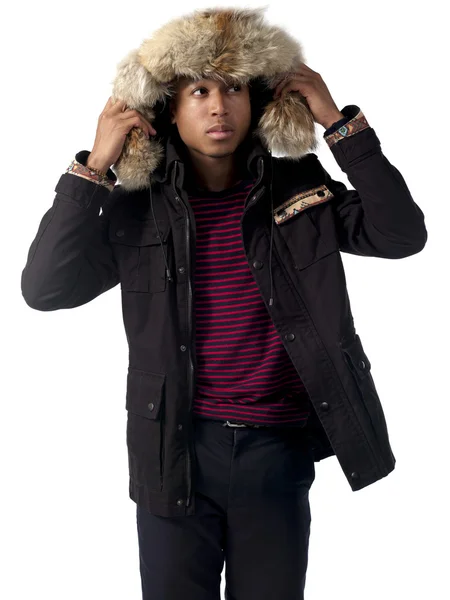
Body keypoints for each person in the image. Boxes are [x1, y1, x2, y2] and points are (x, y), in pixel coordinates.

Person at [21, 7, 427, 600]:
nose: (218, 106)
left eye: (234, 88)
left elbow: (400, 235)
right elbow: (45, 288)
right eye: (200, 90)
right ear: (169, 108)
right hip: (176, 452)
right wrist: (96, 165)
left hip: (277, 450)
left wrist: (339, 124)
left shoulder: (301, 188)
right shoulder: (138, 211)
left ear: (257, 101)